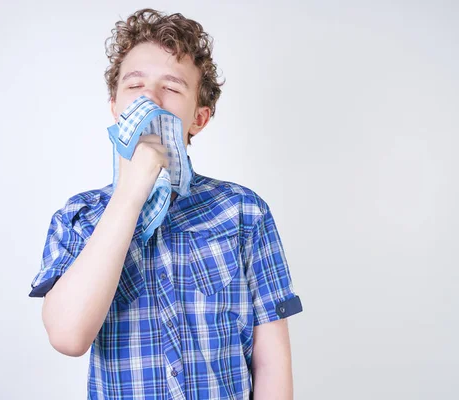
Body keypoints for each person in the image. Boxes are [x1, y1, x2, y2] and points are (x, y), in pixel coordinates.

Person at [29, 8, 303, 400]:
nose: (149, 101)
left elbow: (272, 364)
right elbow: (68, 336)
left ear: (199, 118)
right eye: (134, 86)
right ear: (114, 106)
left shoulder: (244, 212)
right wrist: (132, 189)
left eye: (171, 89)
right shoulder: (79, 218)